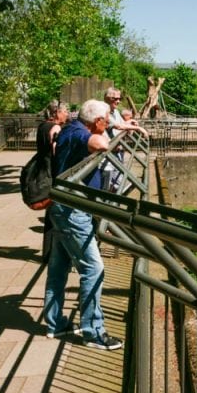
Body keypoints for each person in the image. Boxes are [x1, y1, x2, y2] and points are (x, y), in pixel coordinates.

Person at [43, 99, 123, 350]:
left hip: (63, 207)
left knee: (59, 268)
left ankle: (55, 323)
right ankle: (93, 331)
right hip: (71, 212)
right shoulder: (80, 132)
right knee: (94, 268)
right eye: (107, 118)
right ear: (97, 121)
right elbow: (100, 144)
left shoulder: (72, 128)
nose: (109, 122)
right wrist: (107, 138)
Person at [38, 101, 69, 262]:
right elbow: (58, 154)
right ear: (57, 112)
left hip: (44, 171)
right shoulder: (55, 128)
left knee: (50, 213)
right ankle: (54, 254)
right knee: (55, 213)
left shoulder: (42, 126)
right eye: (65, 111)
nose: (67, 114)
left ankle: (48, 253)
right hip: (54, 174)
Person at [101, 88, 148, 192]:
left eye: (119, 98)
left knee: (119, 183)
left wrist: (130, 121)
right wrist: (139, 129)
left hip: (116, 153)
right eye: (115, 99)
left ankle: (114, 204)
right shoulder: (104, 112)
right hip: (107, 156)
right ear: (107, 98)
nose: (118, 101)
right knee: (106, 186)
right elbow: (118, 126)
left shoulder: (116, 112)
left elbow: (123, 124)